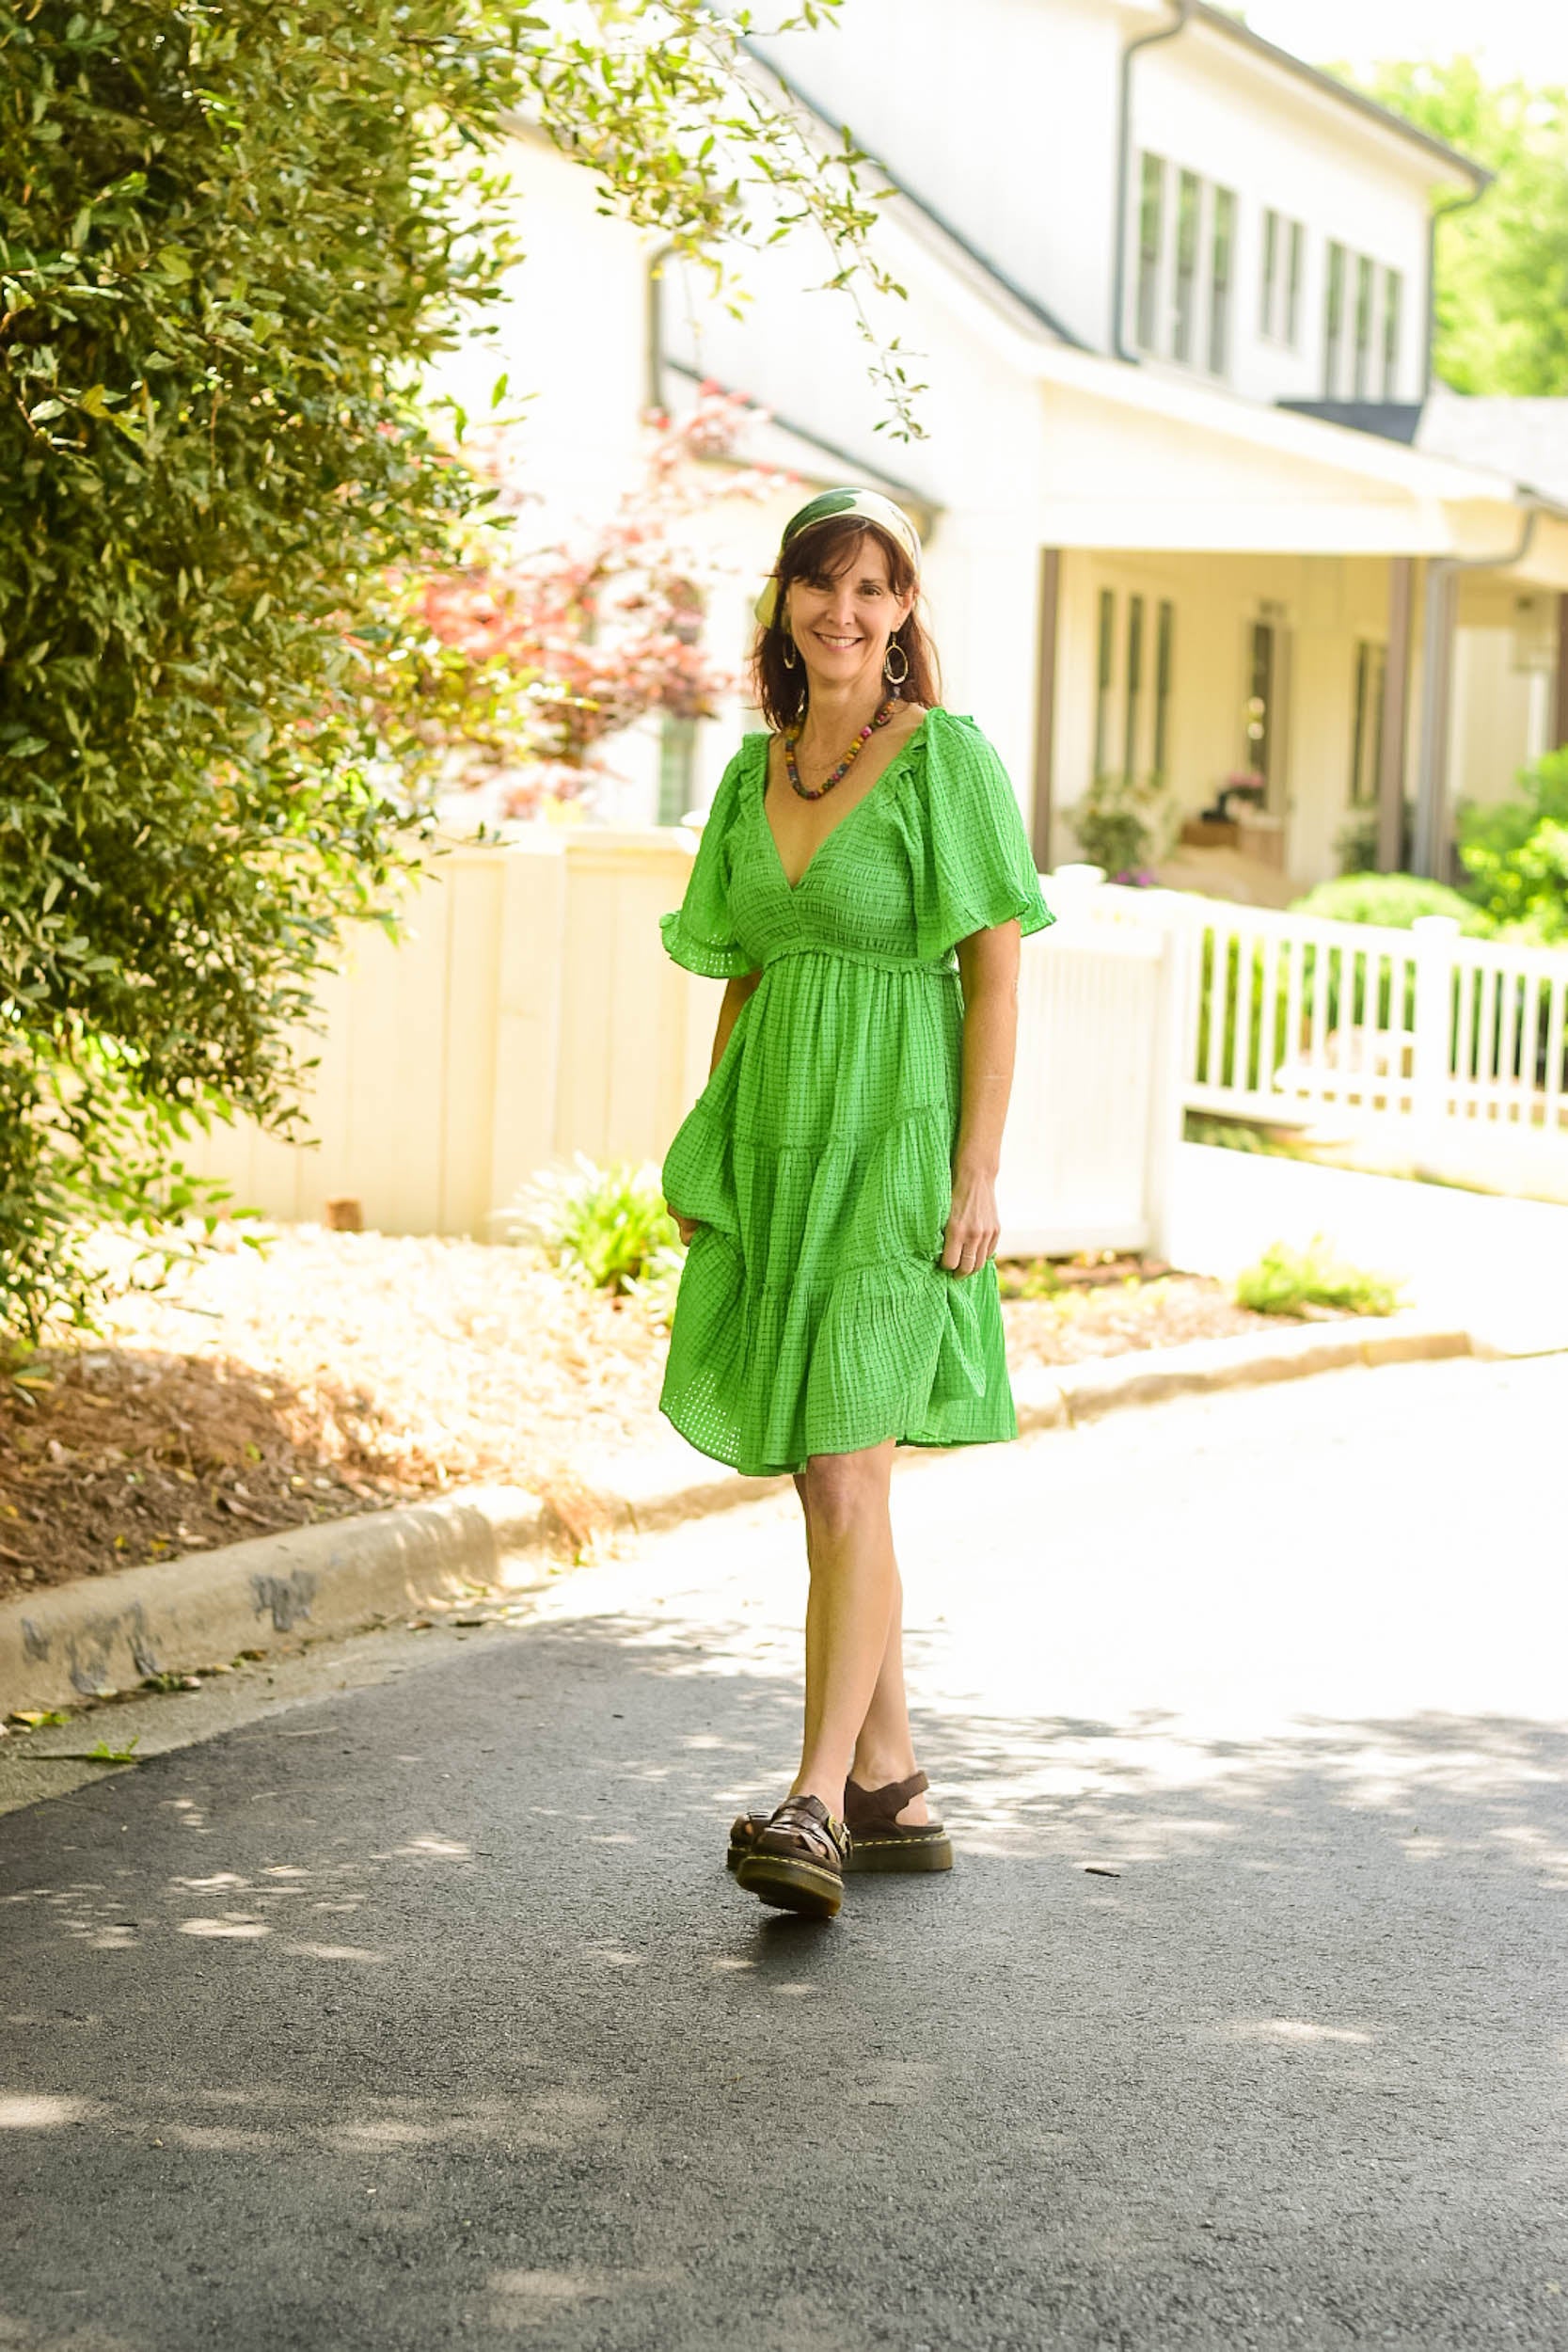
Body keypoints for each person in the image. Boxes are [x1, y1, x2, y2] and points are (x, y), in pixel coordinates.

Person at [657, 487, 1055, 1921]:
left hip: (895, 1140)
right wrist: (712, 1162)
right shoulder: (749, 774)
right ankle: (889, 1783)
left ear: (902, 614)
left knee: (849, 1468)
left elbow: (997, 974)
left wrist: (980, 1167)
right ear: (784, 604)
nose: (846, 611)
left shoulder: (946, 759)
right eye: (821, 585)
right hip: (776, 1143)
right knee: (827, 1473)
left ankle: (817, 1800)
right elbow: (744, 977)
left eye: (874, 589)